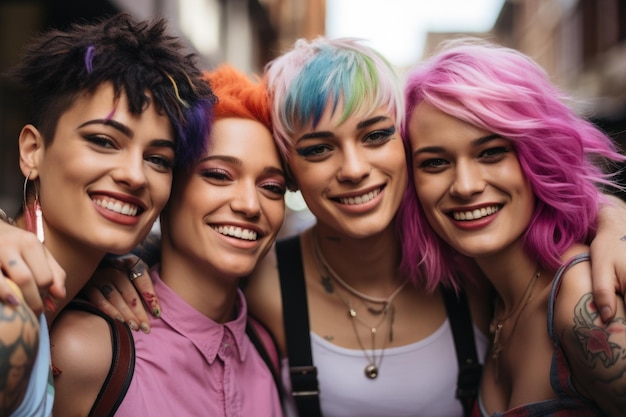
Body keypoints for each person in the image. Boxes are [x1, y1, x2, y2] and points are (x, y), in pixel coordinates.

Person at [85, 37, 626, 417]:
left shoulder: (462, 261)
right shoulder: (266, 282)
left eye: (374, 136)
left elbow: (532, 219)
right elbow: (189, 272)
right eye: (319, 149)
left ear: (406, 149)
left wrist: (610, 218)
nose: (353, 169)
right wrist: (104, 268)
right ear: (290, 169)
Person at [0, 13, 214, 416]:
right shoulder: (10, 315)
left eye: (158, 159)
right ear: (33, 151)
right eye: (102, 141)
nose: (134, 176)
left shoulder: (73, 290)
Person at [397, 38, 626, 416]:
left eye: (491, 153)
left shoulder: (580, 298)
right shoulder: (483, 295)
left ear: (538, 156)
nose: (466, 185)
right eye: (435, 163)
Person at [50, 64, 287, 417]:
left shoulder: (267, 347)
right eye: (219, 175)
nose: (250, 205)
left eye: (271, 187)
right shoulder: (86, 350)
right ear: (168, 187)